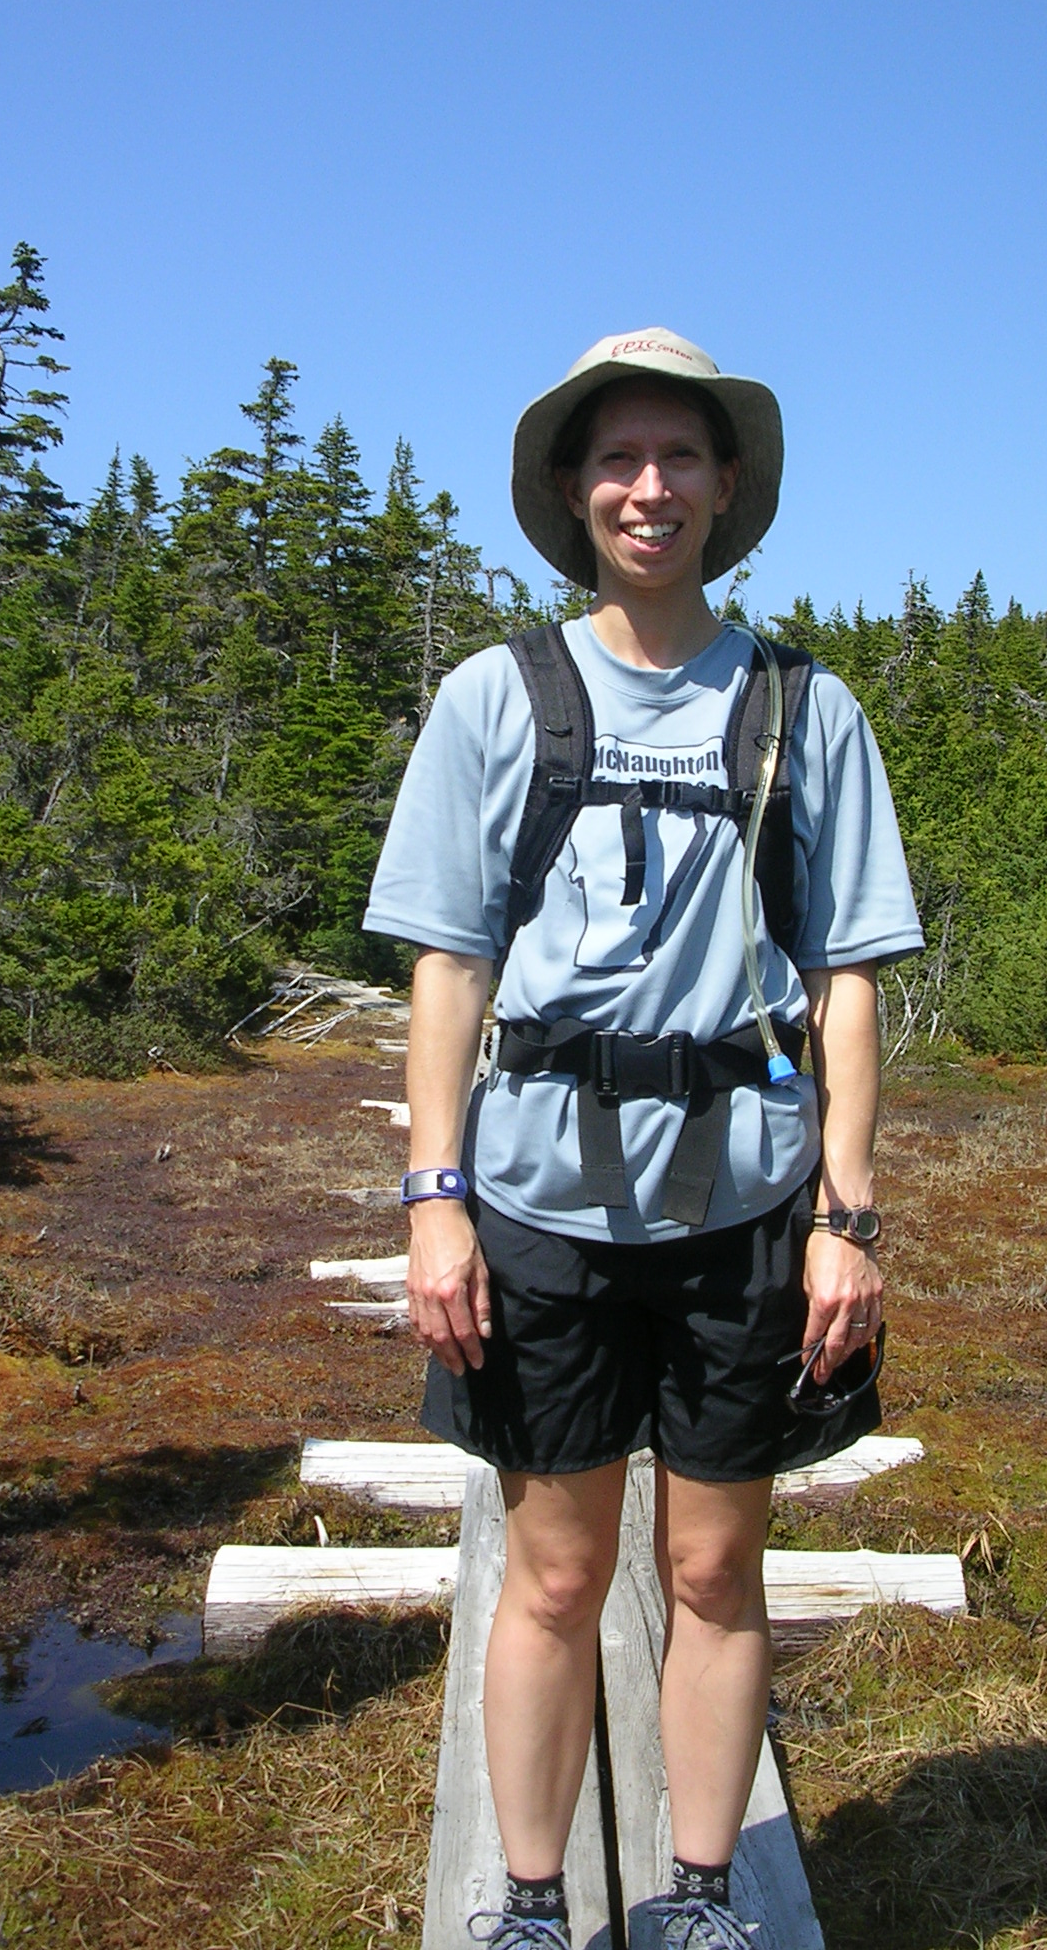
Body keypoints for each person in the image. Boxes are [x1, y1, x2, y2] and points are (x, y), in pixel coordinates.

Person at [363, 328, 923, 1950]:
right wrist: (433, 1203)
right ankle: (530, 1903)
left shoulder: (801, 709)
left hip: (747, 1206)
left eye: (681, 456)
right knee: (550, 1574)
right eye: (619, 458)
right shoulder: (499, 697)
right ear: (572, 489)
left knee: (712, 1569)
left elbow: (849, 981)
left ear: (728, 486)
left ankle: (695, 1896)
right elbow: (448, 968)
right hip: (536, 1201)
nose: (650, 486)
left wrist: (849, 1219)